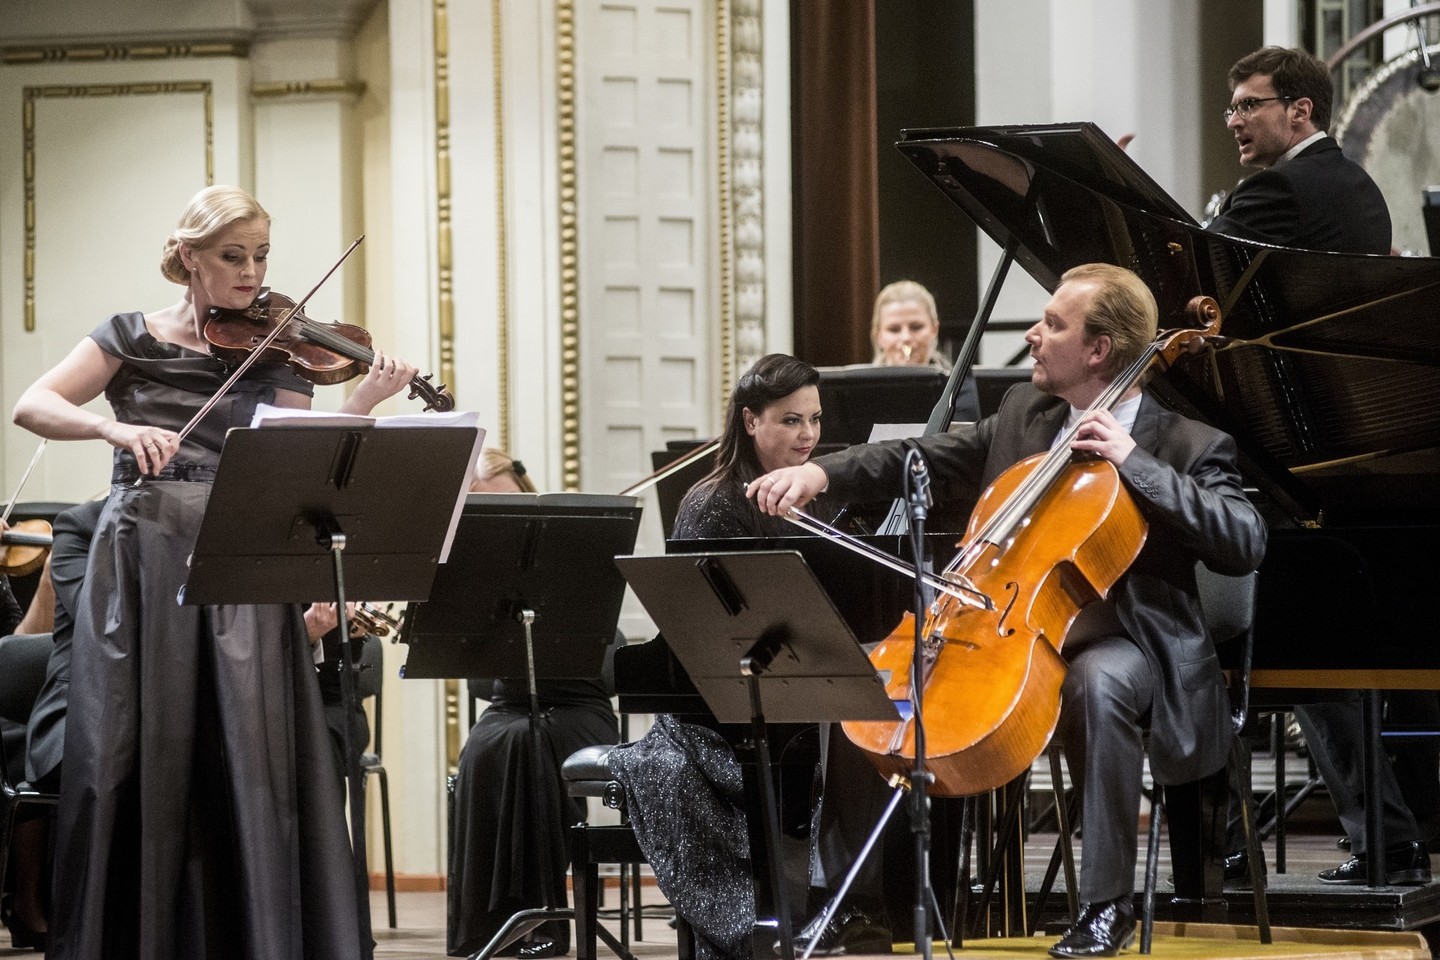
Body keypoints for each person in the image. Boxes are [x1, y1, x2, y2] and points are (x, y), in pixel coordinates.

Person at [750, 264, 1268, 959]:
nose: (1032, 334)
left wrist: (1133, 462)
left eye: (1052, 324)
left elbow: (1244, 540)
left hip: (1128, 640)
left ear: (1099, 350)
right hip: (1004, 625)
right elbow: (921, 455)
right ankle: (855, 904)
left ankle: (1105, 907)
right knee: (871, 681)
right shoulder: (1027, 415)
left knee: (1098, 684)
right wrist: (821, 472)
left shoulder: (1188, 443)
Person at [11, 184, 421, 959]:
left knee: (248, 747)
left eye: (260, 255)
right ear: (188, 256)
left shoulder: (276, 348)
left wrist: (368, 393)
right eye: (233, 256)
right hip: (143, 556)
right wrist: (113, 429)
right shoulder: (127, 335)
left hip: (241, 554)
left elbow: (300, 451)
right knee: (139, 743)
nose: (251, 272)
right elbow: (33, 405)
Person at [1209, 45, 1430, 888]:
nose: (1234, 120)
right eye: (1232, 105)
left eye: (1249, 104)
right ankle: (1387, 837)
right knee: (1331, 657)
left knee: (1276, 653)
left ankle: (1227, 848)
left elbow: (1197, 272)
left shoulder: (1278, 191)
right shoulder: (1359, 187)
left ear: (1299, 110)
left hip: (1275, 455)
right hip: (1348, 445)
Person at [447, 448, 621, 959]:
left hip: (579, 709)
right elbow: (481, 682)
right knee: (490, 745)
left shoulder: (571, 559)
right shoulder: (471, 572)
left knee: (532, 741)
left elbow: (607, 659)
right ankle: (487, 924)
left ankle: (542, 918)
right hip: (509, 711)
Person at [870, 280, 950, 371]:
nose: (906, 337)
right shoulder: (861, 380)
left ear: (934, 330)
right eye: (894, 329)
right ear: (878, 335)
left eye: (916, 327)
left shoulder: (958, 380)